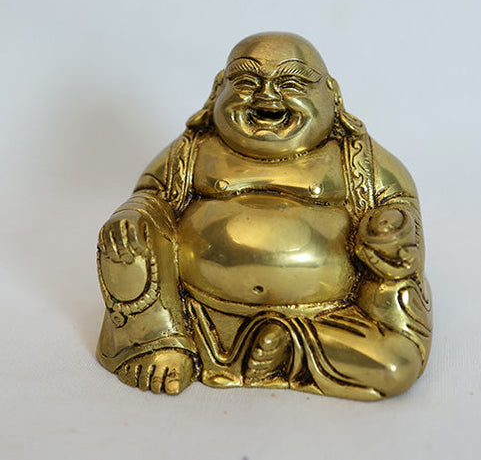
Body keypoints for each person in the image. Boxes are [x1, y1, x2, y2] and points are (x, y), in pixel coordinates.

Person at [96, 32, 432, 400]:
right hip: (202, 312)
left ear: (332, 95)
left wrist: (392, 232)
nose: (267, 96)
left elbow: (401, 209)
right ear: (217, 91)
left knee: (396, 366)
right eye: (246, 81)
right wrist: (133, 216)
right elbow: (150, 198)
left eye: (291, 83)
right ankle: (163, 342)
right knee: (130, 234)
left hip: (333, 317)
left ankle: (293, 342)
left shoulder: (357, 159)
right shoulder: (192, 151)